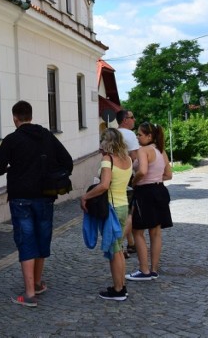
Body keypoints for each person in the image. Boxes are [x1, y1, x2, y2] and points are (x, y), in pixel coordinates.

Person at [0, 100, 73, 307]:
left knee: (26, 241)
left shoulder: (12, 139)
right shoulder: (46, 136)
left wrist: (12, 167)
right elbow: (68, 162)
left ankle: (28, 295)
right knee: (42, 238)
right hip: (45, 196)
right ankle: (36, 283)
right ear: (31, 116)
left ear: (15, 118)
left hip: (21, 199)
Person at [81, 128, 133, 301]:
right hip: (123, 206)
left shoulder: (107, 159)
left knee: (115, 250)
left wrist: (85, 197)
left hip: (111, 209)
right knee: (118, 248)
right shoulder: (127, 159)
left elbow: (104, 185)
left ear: (105, 142)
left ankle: (118, 290)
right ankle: (121, 286)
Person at [125, 122, 173, 281]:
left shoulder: (144, 150)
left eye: (140, 134)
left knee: (137, 231)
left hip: (145, 192)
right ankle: (153, 269)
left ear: (149, 136)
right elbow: (168, 175)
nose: (137, 137)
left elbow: (143, 171)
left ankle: (143, 270)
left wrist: (134, 181)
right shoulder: (161, 151)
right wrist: (155, 179)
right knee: (156, 232)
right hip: (160, 191)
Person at [116, 110, 140, 258]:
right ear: (125, 120)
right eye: (132, 117)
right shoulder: (130, 135)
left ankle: (131, 244)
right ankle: (119, 245)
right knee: (130, 213)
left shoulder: (111, 132)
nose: (134, 120)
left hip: (114, 175)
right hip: (128, 176)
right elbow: (135, 159)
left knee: (121, 209)